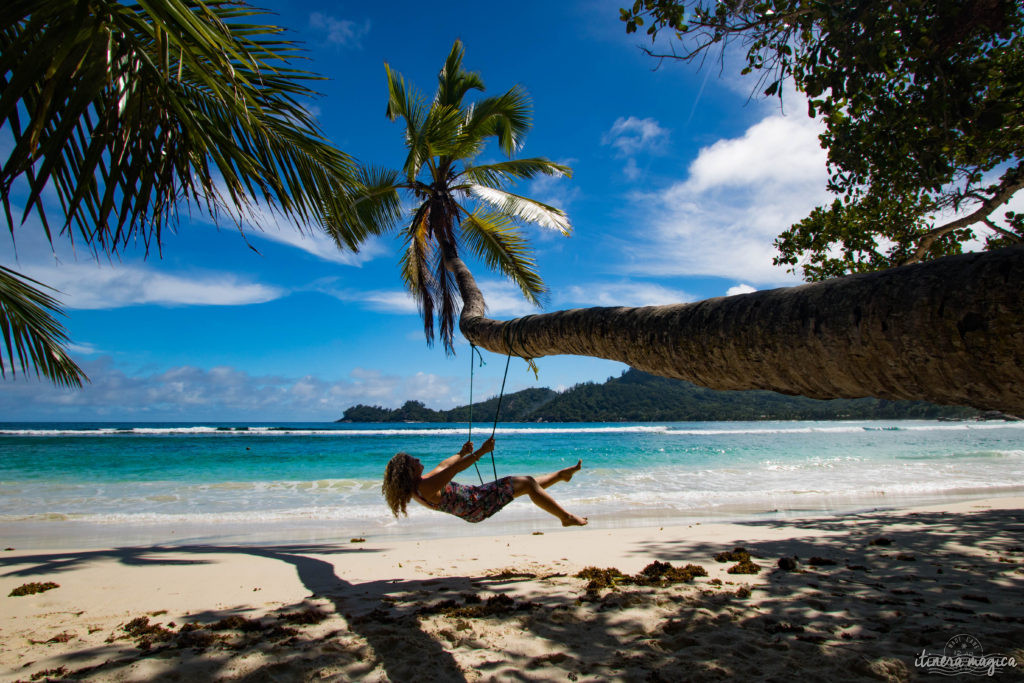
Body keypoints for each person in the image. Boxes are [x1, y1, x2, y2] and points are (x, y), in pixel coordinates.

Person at [382, 437, 588, 526]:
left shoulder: (421, 484)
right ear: (408, 472)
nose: (417, 460)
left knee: (526, 485)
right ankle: (565, 517)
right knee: (526, 483)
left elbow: (445, 466)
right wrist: (482, 451)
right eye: (413, 462)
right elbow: (454, 469)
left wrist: (461, 452)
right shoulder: (425, 486)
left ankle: (561, 476)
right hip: (477, 503)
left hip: (475, 500)